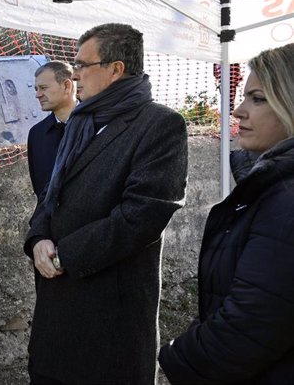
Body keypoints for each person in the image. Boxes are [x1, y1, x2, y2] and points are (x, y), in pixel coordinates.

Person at [24, 23, 188, 384]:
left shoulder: (160, 125)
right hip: (56, 310)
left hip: (109, 318)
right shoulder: (80, 121)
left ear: (116, 69)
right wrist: (37, 239)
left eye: (83, 65)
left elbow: (142, 216)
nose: (75, 73)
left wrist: (63, 254)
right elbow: (49, 196)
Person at [159, 43, 294, 384]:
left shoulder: (286, 199)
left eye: (258, 98)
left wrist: (176, 358)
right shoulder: (269, 186)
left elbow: (247, 329)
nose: (237, 111)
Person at [27, 61, 77, 199]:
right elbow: (39, 187)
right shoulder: (36, 134)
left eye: (43, 88)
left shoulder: (98, 126)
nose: (38, 95)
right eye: (36, 89)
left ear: (67, 86)